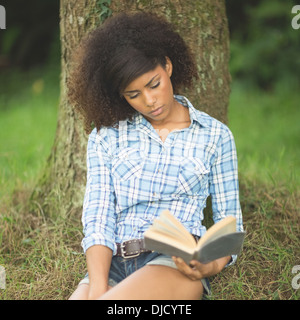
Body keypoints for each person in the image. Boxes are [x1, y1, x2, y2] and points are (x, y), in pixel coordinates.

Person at [67, 11, 244, 300]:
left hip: (172, 263)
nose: (149, 101)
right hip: (112, 264)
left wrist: (209, 265)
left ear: (168, 66)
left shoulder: (215, 136)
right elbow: (98, 218)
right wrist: (97, 287)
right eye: (133, 94)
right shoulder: (106, 136)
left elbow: (229, 225)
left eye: (154, 84)